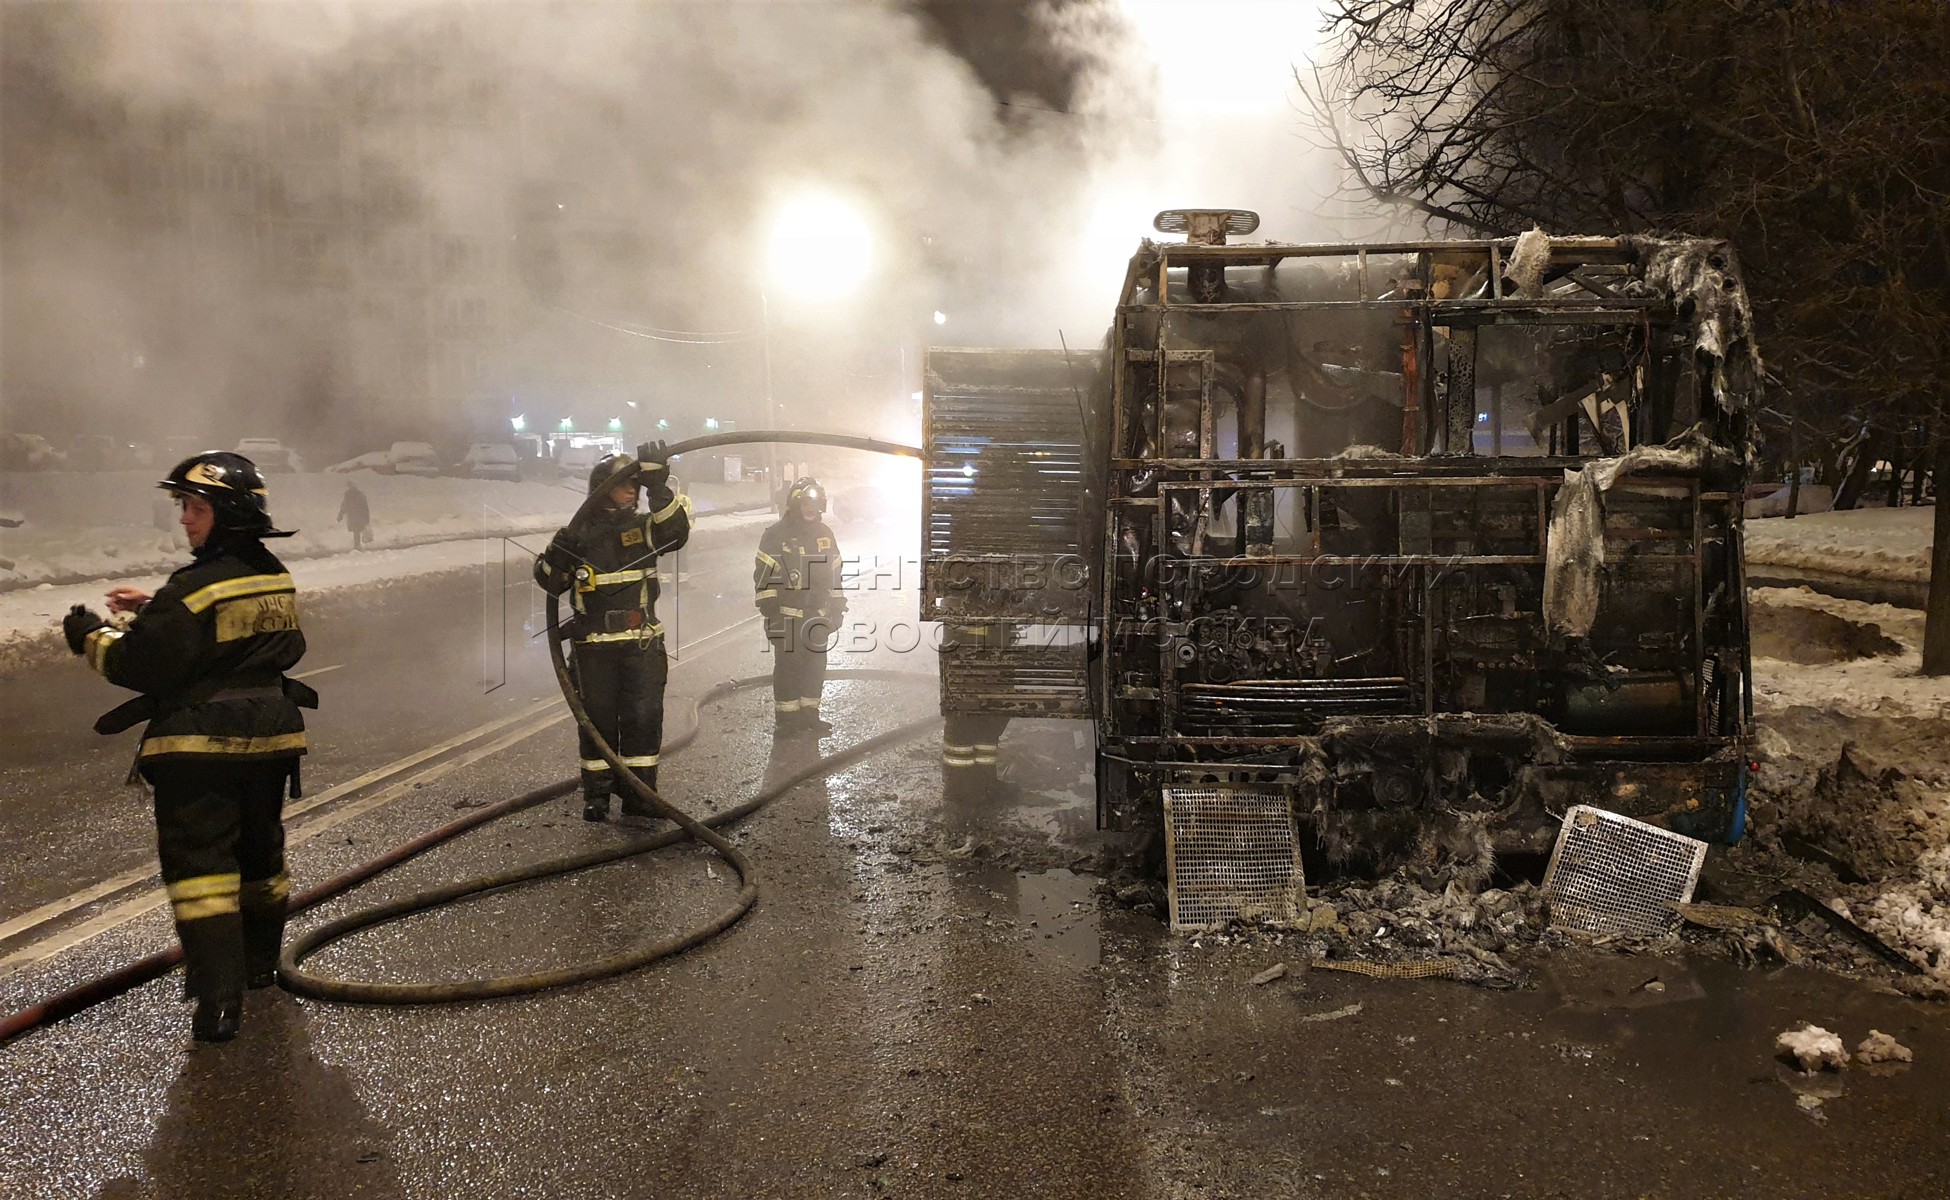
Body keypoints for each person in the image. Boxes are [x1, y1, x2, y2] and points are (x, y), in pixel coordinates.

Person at [61, 452, 317, 1043]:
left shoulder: (195, 586)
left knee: (201, 872)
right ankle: (259, 970)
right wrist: (157, 609)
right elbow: (241, 639)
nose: (185, 520)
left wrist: (89, 636)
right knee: (260, 857)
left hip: (201, 747)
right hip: (273, 738)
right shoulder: (271, 572)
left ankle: (218, 1004)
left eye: (194, 508)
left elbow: (139, 663)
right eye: (183, 507)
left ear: (225, 514)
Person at [533, 445, 689, 821]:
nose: (631, 491)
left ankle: (640, 796)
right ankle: (598, 796)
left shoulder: (643, 528)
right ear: (603, 489)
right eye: (625, 486)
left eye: (635, 485)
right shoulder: (578, 536)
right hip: (594, 649)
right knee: (597, 723)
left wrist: (658, 487)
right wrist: (559, 553)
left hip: (641, 645)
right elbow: (549, 582)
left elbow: (675, 533)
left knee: (643, 718)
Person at [753, 477, 845, 734]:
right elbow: (763, 576)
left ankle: (809, 715)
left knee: (815, 668)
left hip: (817, 617)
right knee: (788, 669)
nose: (811, 508)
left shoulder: (825, 535)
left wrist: (837, 607)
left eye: (815, 503)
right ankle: (787, 721)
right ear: (795, 504)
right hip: (787, 618)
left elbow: (836, 574)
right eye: (806, 502)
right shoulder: (775, 535)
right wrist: (771, 612)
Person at [939, 622, 1013, 801]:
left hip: (991, 645)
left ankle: (984, 783)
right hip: (968, 648)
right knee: (964, 717)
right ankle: (959, 787)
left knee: (989, 717)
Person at [336, 479, 371, 550]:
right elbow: (365, 507)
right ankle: (358, 545)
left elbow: (344, 505)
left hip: (353, 515)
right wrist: (367, 518)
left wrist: (340, 515)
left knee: (356, 531)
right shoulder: (360, 495)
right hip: (358, 515)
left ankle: (357, 545)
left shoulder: (348, 495)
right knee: (357, 530)